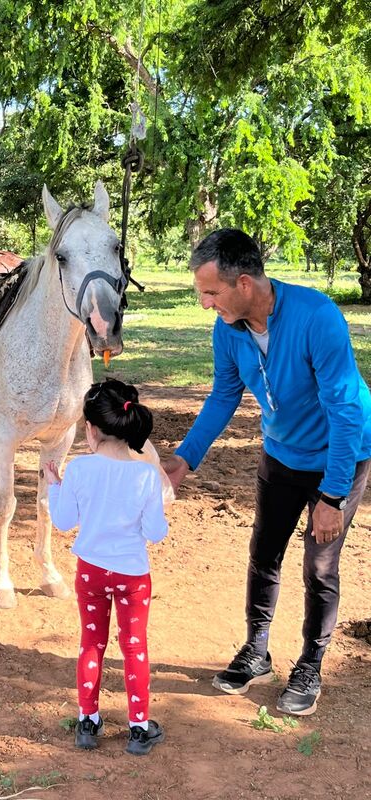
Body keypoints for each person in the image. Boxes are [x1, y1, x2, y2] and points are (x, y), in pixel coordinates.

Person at [164, 228, 371, 716]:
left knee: (319, 565)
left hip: (341, 454)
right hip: (282, 453)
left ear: (245, 285)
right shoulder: (228, 328)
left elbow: (344, 411)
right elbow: (223, 395)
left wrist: (333, 496)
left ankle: (310, 663)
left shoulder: (317, 317)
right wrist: (185, 458)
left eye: (210, 292)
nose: (204, 303)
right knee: (264, 552)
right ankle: (256, 651)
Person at [45, 379, 168, 755]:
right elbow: (155, 532)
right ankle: (138, 727)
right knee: (135, 648)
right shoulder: (145, 475)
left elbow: (64, 521)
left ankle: (88, 721)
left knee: (91, 644)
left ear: (91, 429)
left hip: (90, 573)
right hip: (132, 577)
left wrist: (54, 484)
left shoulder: (80, 470)